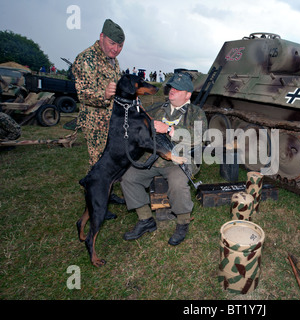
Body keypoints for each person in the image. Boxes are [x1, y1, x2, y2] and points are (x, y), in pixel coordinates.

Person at [120, 72, 207, 246]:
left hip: (180, 160)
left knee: (177, 182)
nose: (172, 90)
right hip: (154, 157)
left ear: (188, 95)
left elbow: (199, 137)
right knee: (128, 178)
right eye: (171, 87)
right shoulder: (159, 109)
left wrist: (168, 130)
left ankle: (183, 221)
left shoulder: (196, 113)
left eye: (178, 88)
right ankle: (145, 219)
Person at [72, 18, 126, 209]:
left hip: (112, 120)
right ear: (101, 37)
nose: (116, 49)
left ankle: (107, 195)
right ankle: (94, 205)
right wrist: (102, 95)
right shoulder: (86, 59)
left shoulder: (113, 61)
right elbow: (83, 94)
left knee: (109, 163)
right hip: (95, 122)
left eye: (120, 45)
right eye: (113, 43)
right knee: (98, 166)